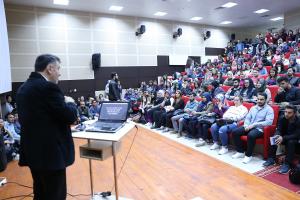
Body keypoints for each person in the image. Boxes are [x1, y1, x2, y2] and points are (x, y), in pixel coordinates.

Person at [16, 54, 78, 200]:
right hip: (51, 155)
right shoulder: (48, 88)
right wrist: (69, 102)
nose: (60, 72)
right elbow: (70, 117)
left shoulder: (23, 88)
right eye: (58, 68)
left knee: (41, 193)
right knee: (55, 195)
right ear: (50, 69)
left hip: (34, 154)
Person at [231, 93, 274, 164]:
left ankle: (248, 155)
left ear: (266, 100)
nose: (259, 101)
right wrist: (246, 125)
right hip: (249, 126)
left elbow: (269, 122)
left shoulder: (269, 109)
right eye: (258, 99)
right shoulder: (253, 108)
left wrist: (254, 125)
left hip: (260, 129)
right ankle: (240, 151)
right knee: (235, 132)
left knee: (251, 135)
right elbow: (248, 118)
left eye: (261, 99)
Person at [263, 105, 300, 174]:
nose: (286, 114)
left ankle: (287, 164)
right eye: (285, 112)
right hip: (283, 137)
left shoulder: (298, 120)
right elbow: (279, 129)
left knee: (291, 142)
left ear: (294, 113)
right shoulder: (282, 118)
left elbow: (297, 135)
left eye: (289, 112)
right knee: (274, 137)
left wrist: (283, 137)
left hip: (294, 139)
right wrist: (278, 134)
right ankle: (271, 158)